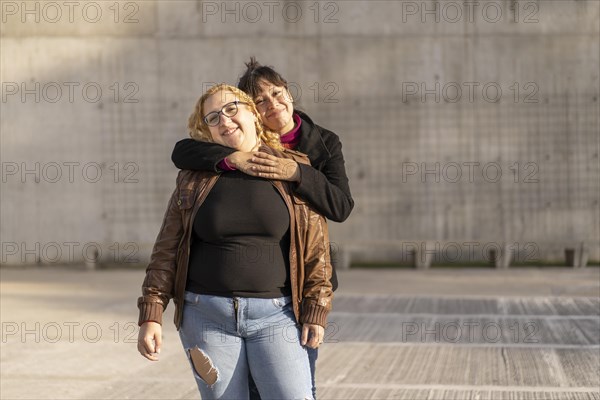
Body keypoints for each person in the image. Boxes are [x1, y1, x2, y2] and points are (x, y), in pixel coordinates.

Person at [137, 84, 333, 400]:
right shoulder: (196, 177)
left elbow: (316, 248)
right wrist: (151, 312)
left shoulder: (291, 168)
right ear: (208, 131)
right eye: (213, 118)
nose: (224, 121)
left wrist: (316, 308)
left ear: (253, 114)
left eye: (231, 109)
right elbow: (167, 247)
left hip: (276, 315)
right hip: (205, 316)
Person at [171, 59, 354, 398]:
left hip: (294, 289)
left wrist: (297, 173)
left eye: (277, 93)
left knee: (298, 385)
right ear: (251, 111)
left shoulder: (322, 143)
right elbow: (183, 150)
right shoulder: (235, 142)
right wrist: (232, 159)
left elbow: (340, 206)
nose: (274, 104)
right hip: (222, 302)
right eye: (262, 100)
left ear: (289, 92)